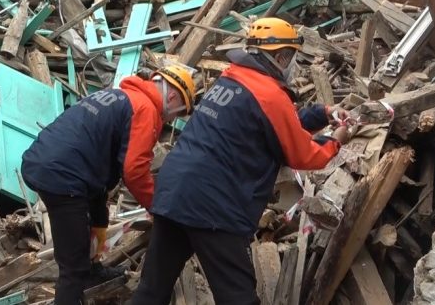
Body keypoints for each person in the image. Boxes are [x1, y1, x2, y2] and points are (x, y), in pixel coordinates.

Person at [131, 18, 353, 305]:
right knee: (238, 298)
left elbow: (271, 129)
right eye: (293, 57)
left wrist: (322, 113)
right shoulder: (270, 94)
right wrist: (336, 139)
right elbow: (303, 154)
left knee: (152, 290)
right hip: (214, 205)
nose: (294, 64)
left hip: (173, 193)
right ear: (281, 56)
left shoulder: (231, 79)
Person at [21, 64, 196, 305]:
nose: (173, 118)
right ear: (173, 97)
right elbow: (134, 170)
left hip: (48, 160)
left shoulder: (120, 95)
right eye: (178, 112)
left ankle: (93, 269)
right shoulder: (146, 110)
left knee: (99, 210)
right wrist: (156, 206)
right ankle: (77, 284)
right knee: (73, 266)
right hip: (63, 177)